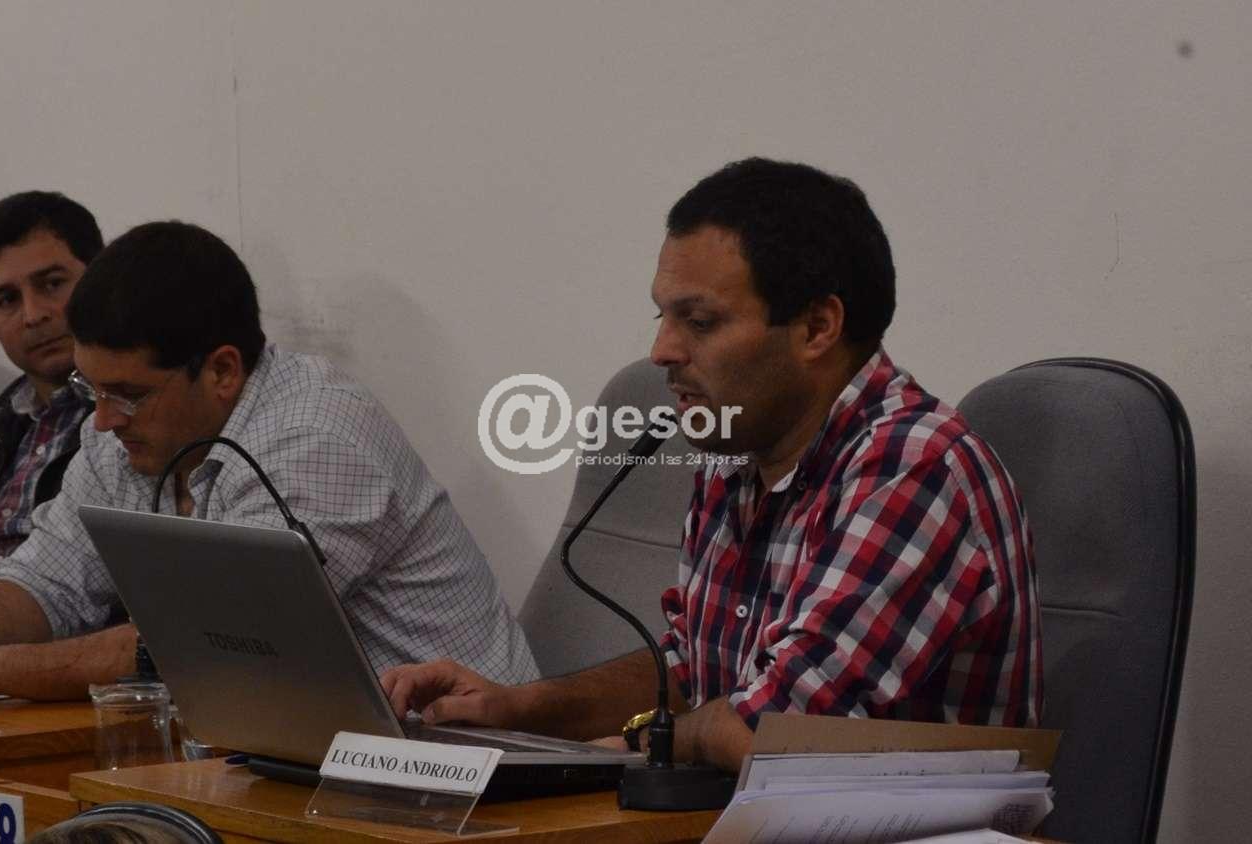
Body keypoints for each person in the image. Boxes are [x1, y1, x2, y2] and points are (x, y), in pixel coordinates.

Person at [381, 158, 1041, 772]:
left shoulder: (916, 467)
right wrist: (520, 709)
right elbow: (697, 670)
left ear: (817, 328)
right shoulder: (738, 456)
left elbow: (774, 729)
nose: (662, 351)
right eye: (663, 317)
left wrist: (641, 742)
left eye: (698, 322)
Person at [0, 220, 537, 697]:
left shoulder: (315, 436)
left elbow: (201, 645)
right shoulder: (119, 433)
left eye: (128, 394)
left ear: (222, 370)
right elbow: (47, 580)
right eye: (90, 387)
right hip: (298, 745)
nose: (101, 419)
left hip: (464, 758)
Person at [0, 192, 100, 587]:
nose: (33, 315)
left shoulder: (141, 418)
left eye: (52, 284)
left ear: (102, 279)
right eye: (6, 300)